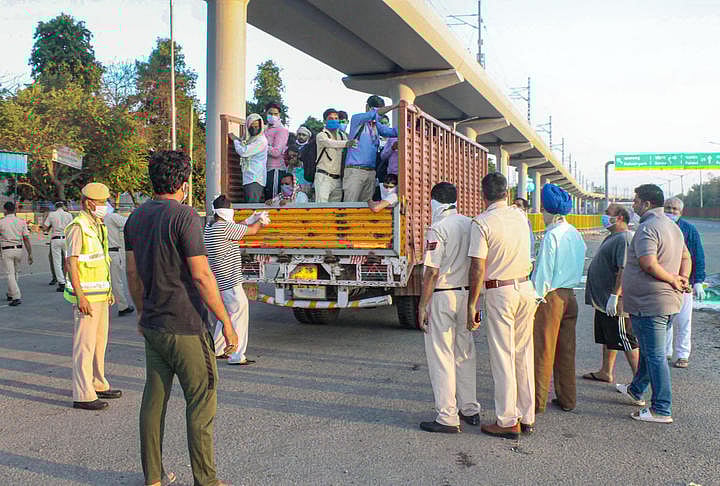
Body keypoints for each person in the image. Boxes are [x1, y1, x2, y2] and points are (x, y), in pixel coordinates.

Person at [124, 150, 238, 486]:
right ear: (184, 184)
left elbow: (132, 272)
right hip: (186, 325)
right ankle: (206, 481)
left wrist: (142, 310)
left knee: (153, 402)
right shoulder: (185, 216)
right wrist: (226, 321)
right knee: (202, 402)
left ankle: (154, 478)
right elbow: (202, 276)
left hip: (154, 324)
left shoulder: (136, 218)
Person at [467, 173, 537, 439]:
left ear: (482, 194)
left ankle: (507, 420)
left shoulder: (482, 222)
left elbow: (477, 267)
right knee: (523, 354)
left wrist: (473, 303)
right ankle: (526, 415)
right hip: (525, 288)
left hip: (500, 292)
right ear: (506, 193)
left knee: (502, 356)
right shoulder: (520, 216)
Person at [616, 184, 690, 424]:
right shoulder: (672, 227)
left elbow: (648, 263)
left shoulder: (648, 228)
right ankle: (636, 389)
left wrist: (672, 279)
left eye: (636, 201)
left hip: (651, 303)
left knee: (656, 356)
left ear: (647, 204)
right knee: (650, 352)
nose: (634, 205)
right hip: (666, 302)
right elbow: (686, 257)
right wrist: (683, 278)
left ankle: (661, 408)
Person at [417, 182, 480, 433]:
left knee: (441, 355)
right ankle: (470, 409)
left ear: (434, 202)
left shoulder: (438, 228)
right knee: (465, 353)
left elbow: (432, 272)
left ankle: (447, 416)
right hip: (467, 295)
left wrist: (423, 305)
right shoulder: (470, 224)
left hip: (443, 296)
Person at [64, 182, 121, 411]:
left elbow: (100, 261)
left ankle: (98, 383)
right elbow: (72, 262)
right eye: (101, 203)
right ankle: (83, 394)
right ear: (89, 203)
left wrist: (108, 292)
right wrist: (81, 297)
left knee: (99, 343)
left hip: (100, 295)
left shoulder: (97, 225)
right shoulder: (78, 227)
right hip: (86, 297)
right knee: (84, 346)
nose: (105, 206)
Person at [532, 184, 586, 413]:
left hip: (551, 298)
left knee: (543, 351)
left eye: (542, 210)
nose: (541, 215)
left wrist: (533, 300)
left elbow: (543, 273)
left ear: (549, 211)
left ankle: (536, 402)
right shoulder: (575, 233)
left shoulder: (551, 236)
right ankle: (567, 399)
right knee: (566, 351)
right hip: (570, 297)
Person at [206, 195, 269, 365]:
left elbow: (237, 227)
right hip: (230, 282)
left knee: (225, 316)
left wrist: (251, 218)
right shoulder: (224, 228)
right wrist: (261, 221)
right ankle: (236, 355)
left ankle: (218, 350)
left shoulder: (210, 227)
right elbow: (253, 231)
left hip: (219, 280)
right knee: (238, 316)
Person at [582, 204, 639, 383]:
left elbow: (624, 269)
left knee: (626, 340)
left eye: (608, 213)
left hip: (616, 302)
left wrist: (615, 296)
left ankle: (640, 382)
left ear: (620, 217)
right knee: (609, 336)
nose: (604, 216)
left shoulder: (624, 238)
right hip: (604, 300)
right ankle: (606, 371)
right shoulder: (613, 237)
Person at [664, 197, 705, 368]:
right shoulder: (660, 227)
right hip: (664, 281)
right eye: (668, 208)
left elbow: (698, 255)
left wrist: (698, 281)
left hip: (685, 283)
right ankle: (665, 353)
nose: (671, 211)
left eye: (674, 209)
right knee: (665, 320)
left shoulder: (689, 229)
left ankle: (682, 354)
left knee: (683, 320)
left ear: (681, 212)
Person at [343, 95, 399, 202]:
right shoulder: (357, 119)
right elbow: (375, 114)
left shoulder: (376, 126)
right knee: (350, 205)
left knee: (366, 208)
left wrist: (411, 117)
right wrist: (395, 106)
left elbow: (394, 132)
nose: (379, 114)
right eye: (375, 109)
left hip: (371, 173)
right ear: (367, 107)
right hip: (355, 171)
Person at [315, 108, 355, 203]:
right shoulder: (321, 135)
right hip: (324, 177)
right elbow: (331, 143)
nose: (334, 120)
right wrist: (347, 143)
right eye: (331, 118)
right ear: (325, 121)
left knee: (335, 210)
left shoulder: (342, 136)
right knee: (321, 208)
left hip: (338, 179)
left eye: (336, 118)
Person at [104, 201, 134, 316]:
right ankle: (123, 306)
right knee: (116, 281)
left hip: (101, 253)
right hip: (113, 252)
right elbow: (128, 224)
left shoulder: (95, 219)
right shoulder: (112, 217)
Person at [0, 201, 33, 306]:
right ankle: (10, 293)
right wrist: (30, 253)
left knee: (10, 274)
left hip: (6, 249)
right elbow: (26, 238)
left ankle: (16, 296)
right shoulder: (21, 222)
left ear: (5, 210)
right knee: (15, 273)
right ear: (14, 210)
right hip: (18, 249)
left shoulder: (2, 222)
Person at [230, 113, 267, 203]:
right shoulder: (250, 139)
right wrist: (238, 140)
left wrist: (235, 140)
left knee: (251, 207)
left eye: (257, 126)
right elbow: (244, 145)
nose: (254, 129)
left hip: (255, 178)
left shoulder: (261, 140)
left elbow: (244, 151)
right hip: (249, 177)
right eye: (252, 126)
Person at [42, 201, 72, 292]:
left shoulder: (52, 214)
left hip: (55, 239)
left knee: (57, 262)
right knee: (68, 260)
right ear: (63, 206)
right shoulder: (69, 215)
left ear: (55, 207)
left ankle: (61, 283)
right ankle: (69, 280)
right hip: (66, 238)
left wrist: (45, 219)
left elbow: (45, 227)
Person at [264, 101, 290, 200]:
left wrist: (260, 146)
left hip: (275, 170)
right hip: (265, 169)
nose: (273, 116)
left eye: (276, 114)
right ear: (266, 113)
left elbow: (276, 152)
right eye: (270, 113)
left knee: (273, 200)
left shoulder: (281, 130)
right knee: (266, 201)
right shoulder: (265, 129)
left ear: (279, 115)